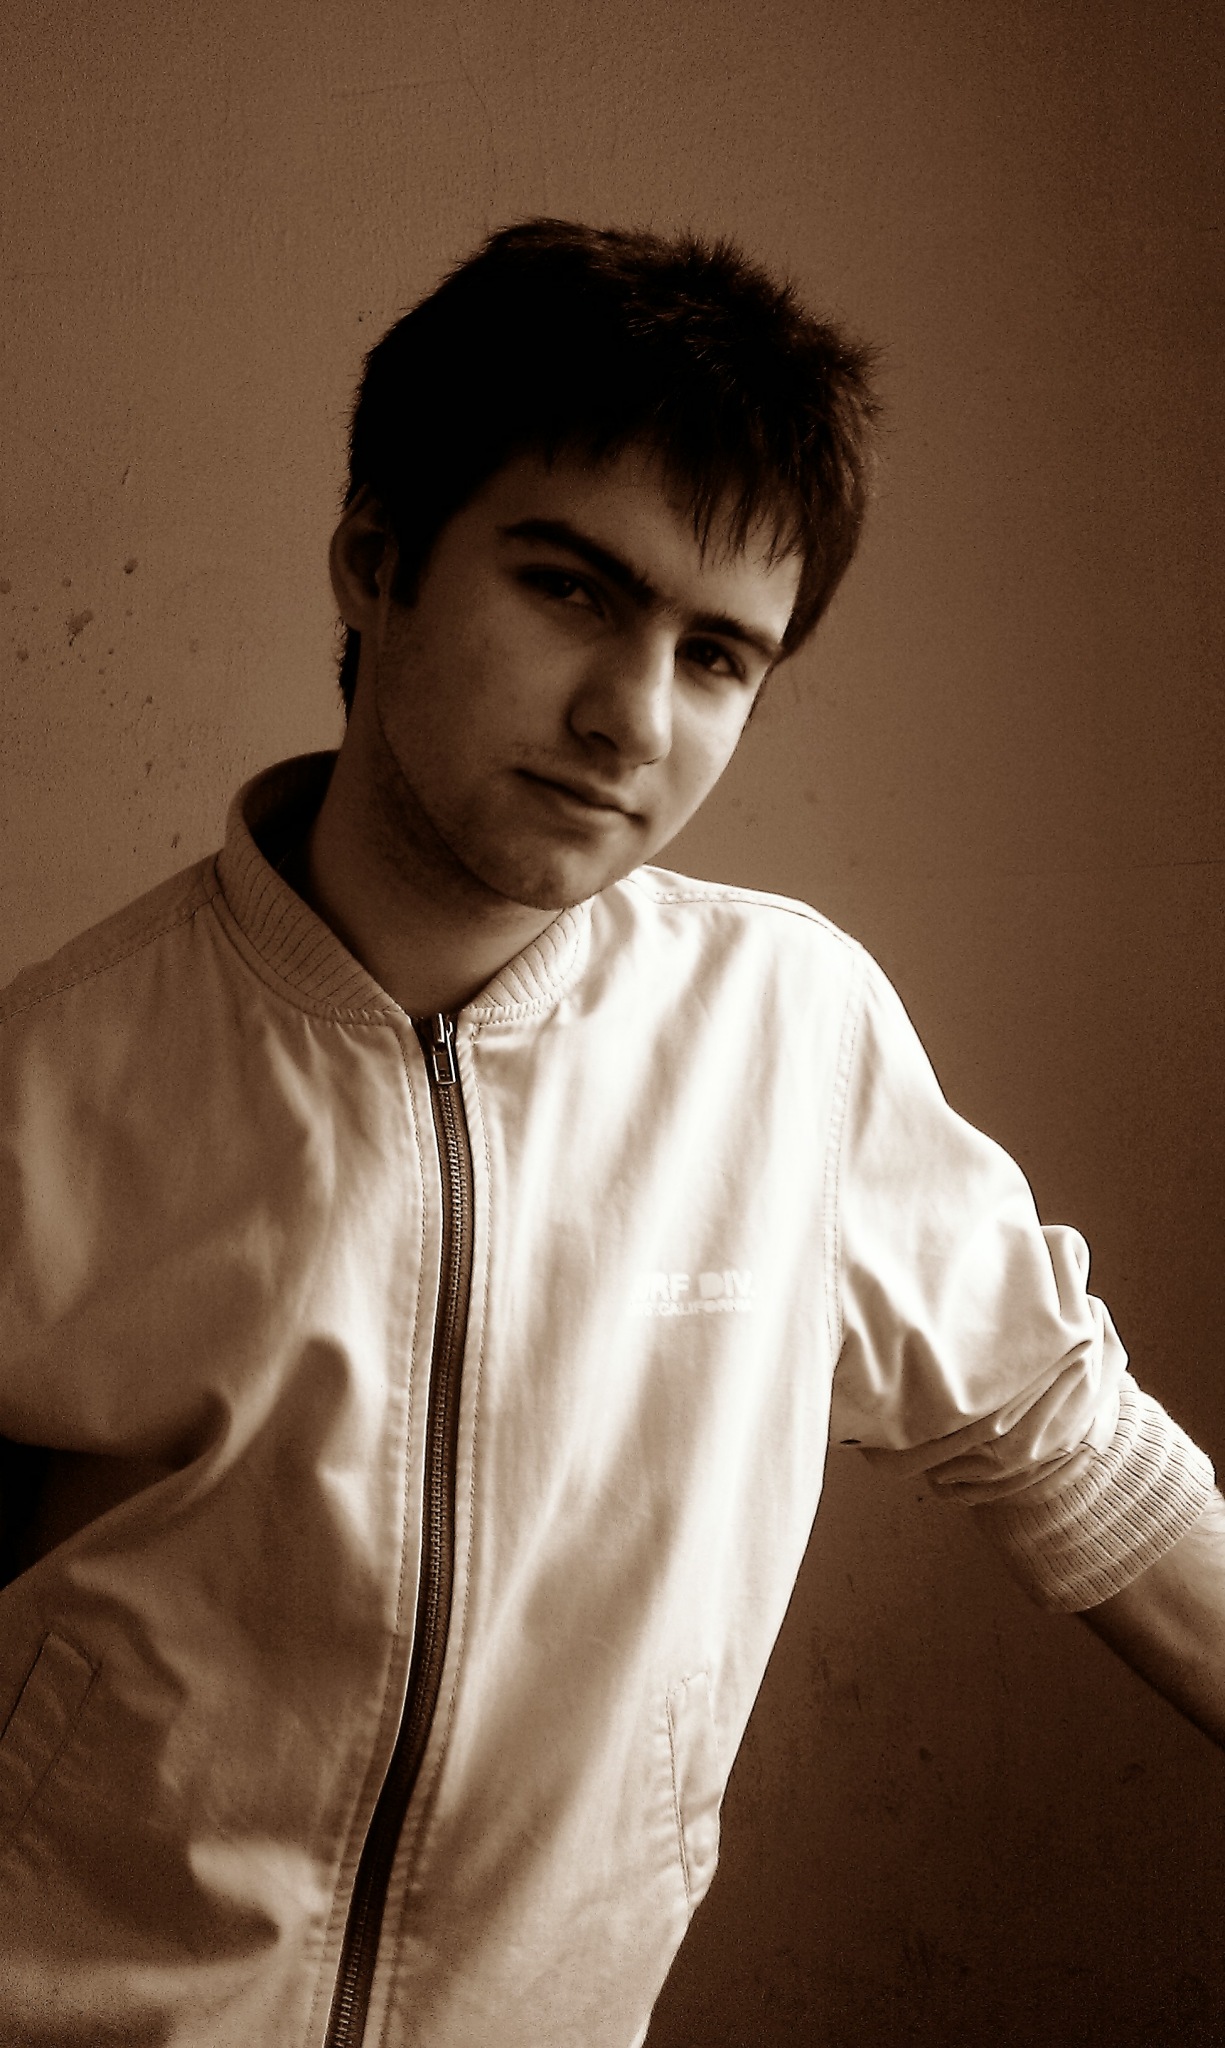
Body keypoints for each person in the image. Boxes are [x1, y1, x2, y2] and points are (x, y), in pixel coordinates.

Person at [0, 219, 1219, 2048]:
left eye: (716, 657)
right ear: (376, 561)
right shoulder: (48, 1079)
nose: (629, 720)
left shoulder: (787, 1034)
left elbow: (1063, 1431)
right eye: (571, 590)